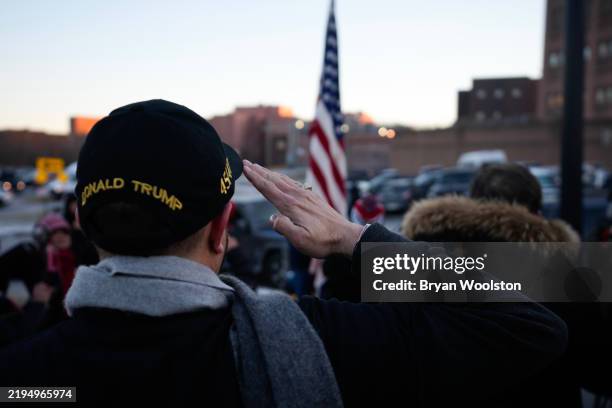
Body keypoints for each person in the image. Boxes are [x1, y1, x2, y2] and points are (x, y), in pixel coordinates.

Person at [0, 100, 567, 407]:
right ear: (223, 228)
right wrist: (355, 238)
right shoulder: (313, 343)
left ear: (80, 218)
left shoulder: (29, 378)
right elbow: (527, 321)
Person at [401, 163, 609, 407]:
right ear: (536, 213)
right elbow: (597, 366)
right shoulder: (560, 269)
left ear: (471, 202)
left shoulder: (424, 259)